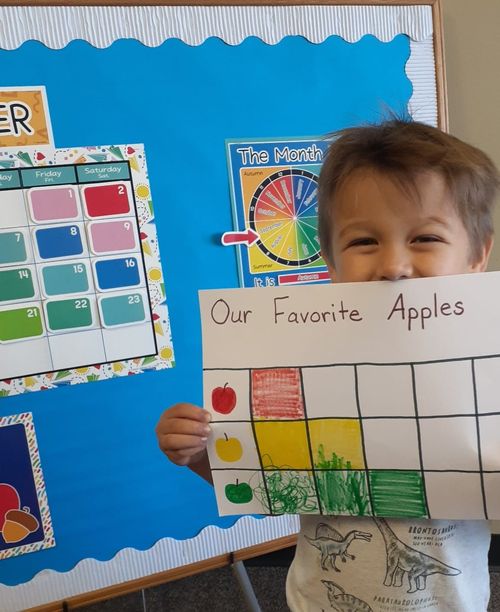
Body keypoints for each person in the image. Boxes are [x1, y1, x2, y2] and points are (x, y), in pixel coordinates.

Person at [156, 119, 500, 611]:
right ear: (332, 264)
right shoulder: (306, 364)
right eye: (364, 242)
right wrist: (198, 454)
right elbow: (260, 478)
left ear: (476, 256)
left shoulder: (487, 366)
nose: (393, 266)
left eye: (425, 238)